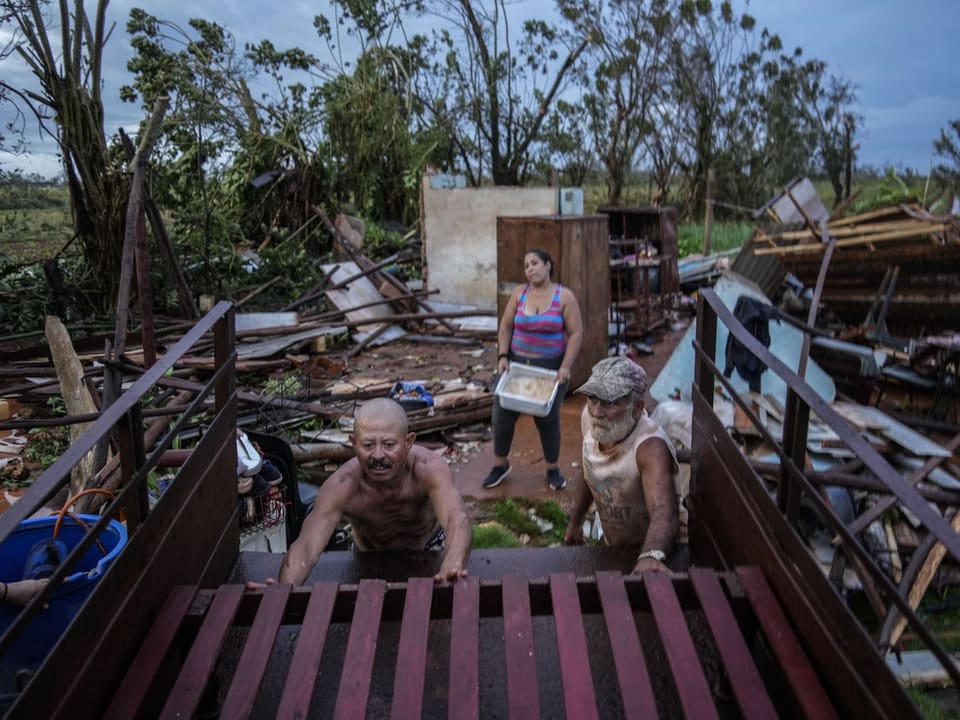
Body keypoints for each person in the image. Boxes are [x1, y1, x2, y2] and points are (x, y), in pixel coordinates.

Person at [249, 398, 472, 587]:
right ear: (353, 444)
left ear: (408, 442)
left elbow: (456, 517)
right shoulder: (343, 485)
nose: (378, 455)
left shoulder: (428, 469)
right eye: (367, 445)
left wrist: (452, 564)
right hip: (369, 556)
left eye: (388, 445)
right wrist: (283, 589)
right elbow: (307, 545)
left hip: (428, 546)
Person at [564, 356, 680, 573]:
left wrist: (650, 556)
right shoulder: (590, 419)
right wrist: (575, 522)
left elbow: (664, 511)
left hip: (655, 552)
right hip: (614, 547)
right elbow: (588, 465)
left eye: (610, 403)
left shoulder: (650, 447)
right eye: (593, 398)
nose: (597, 411)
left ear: (636, 409)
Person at [483, 248, 583, 491]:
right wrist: (503, 356)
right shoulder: (519, 294)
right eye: (526, 265)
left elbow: (576, 333)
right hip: (517, 364)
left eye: (535, 263)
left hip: (551, 368)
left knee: (547, 418)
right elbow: (505, 327)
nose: (530, 269)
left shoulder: (564, 296)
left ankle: (552, 468)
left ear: (548, 265)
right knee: (502, 413)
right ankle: (500, 465)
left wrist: (565, 367)